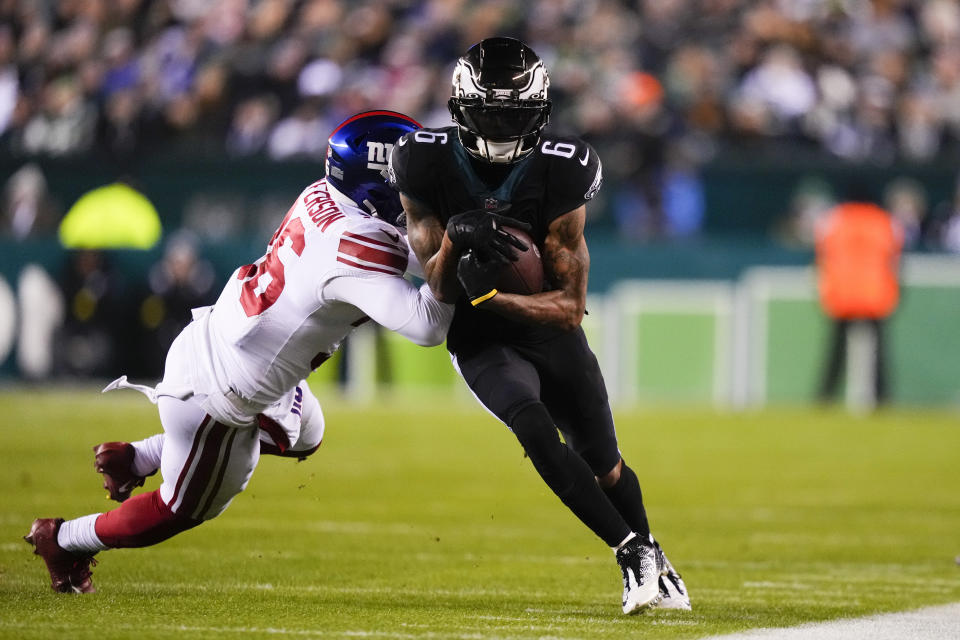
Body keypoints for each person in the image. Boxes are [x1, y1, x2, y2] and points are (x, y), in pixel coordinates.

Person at [24, 111, 454, 594]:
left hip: (221, 345)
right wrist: (461, 254)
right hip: (221, 399)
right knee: (176, 511)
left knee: (307, 433)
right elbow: (426, 326)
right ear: (374, 186)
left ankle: (138, 457)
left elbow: (402, 245)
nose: (418, 189)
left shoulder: (326, 195)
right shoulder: (351, 247)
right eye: (408, 179)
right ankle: (63, 539)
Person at [387, 37, 689, 614]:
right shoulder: (421, 158)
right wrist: (457, 237)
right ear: (459, 109)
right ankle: (631, 551)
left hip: (546, 330)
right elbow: (439, 287)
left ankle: (653, 554)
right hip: (480, 340)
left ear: (541, 112)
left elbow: (569, 308)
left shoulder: (563, 165)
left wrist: (494, 295)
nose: (500, 128)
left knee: (606, 464)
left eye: (514, 115)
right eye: (488, 113)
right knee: (531, 428)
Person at [815, 190, 904, 407]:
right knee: (879, 353)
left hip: (843, 293)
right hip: (875, 293)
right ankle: (882, 398)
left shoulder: (835, 219)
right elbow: (895, 259)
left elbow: (822, 255)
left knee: (836, 352)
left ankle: (825, 398)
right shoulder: (883, 220)